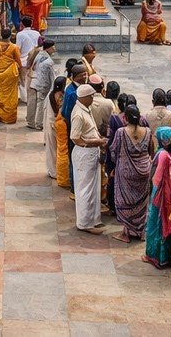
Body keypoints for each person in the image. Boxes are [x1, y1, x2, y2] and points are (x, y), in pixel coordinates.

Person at [112, 104, 155, 243]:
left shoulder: (120, 132)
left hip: (126, 172)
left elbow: (114, 151)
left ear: (125, 118)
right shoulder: (147, 131)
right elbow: (151, 151)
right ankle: (141, 231)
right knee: (142, 201)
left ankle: (126, 233)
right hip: (144, 171)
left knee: (124, 201)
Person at [71, 84, 106, 234]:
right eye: (91, 96)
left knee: (93, 188)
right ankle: (85, 223)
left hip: (91, 153)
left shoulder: (86, 109)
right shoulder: (79, 113)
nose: (93, 99)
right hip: (84, 153)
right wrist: (96, 142)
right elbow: (75, 137)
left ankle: (93, 219)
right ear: (84, 98)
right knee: (85, 189)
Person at [144, 127, 171, 267]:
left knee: (156, 224)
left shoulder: (162, 154)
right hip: (165, 193)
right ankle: (165, 256)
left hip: (160, 193)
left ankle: (155, 256)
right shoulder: (166, 155)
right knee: (163, 224)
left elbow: (155, 178)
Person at [0, 27, 21, 124]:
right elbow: (18, 61)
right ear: (10, 36)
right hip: (10, 74)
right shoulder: (14, 47)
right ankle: (9, 117)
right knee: (11, 96)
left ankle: (0, 115)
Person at [27, 38, 56, 131]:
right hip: (41, 84)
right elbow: (51, 77)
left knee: (31, 103)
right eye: (53, 47)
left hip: (34, 81)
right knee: (41, 104)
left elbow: (34, 67)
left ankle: (30, 121)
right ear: (48, 49)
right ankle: (39, 123)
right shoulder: (48, 61)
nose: (54, 49)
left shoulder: (38, 54)